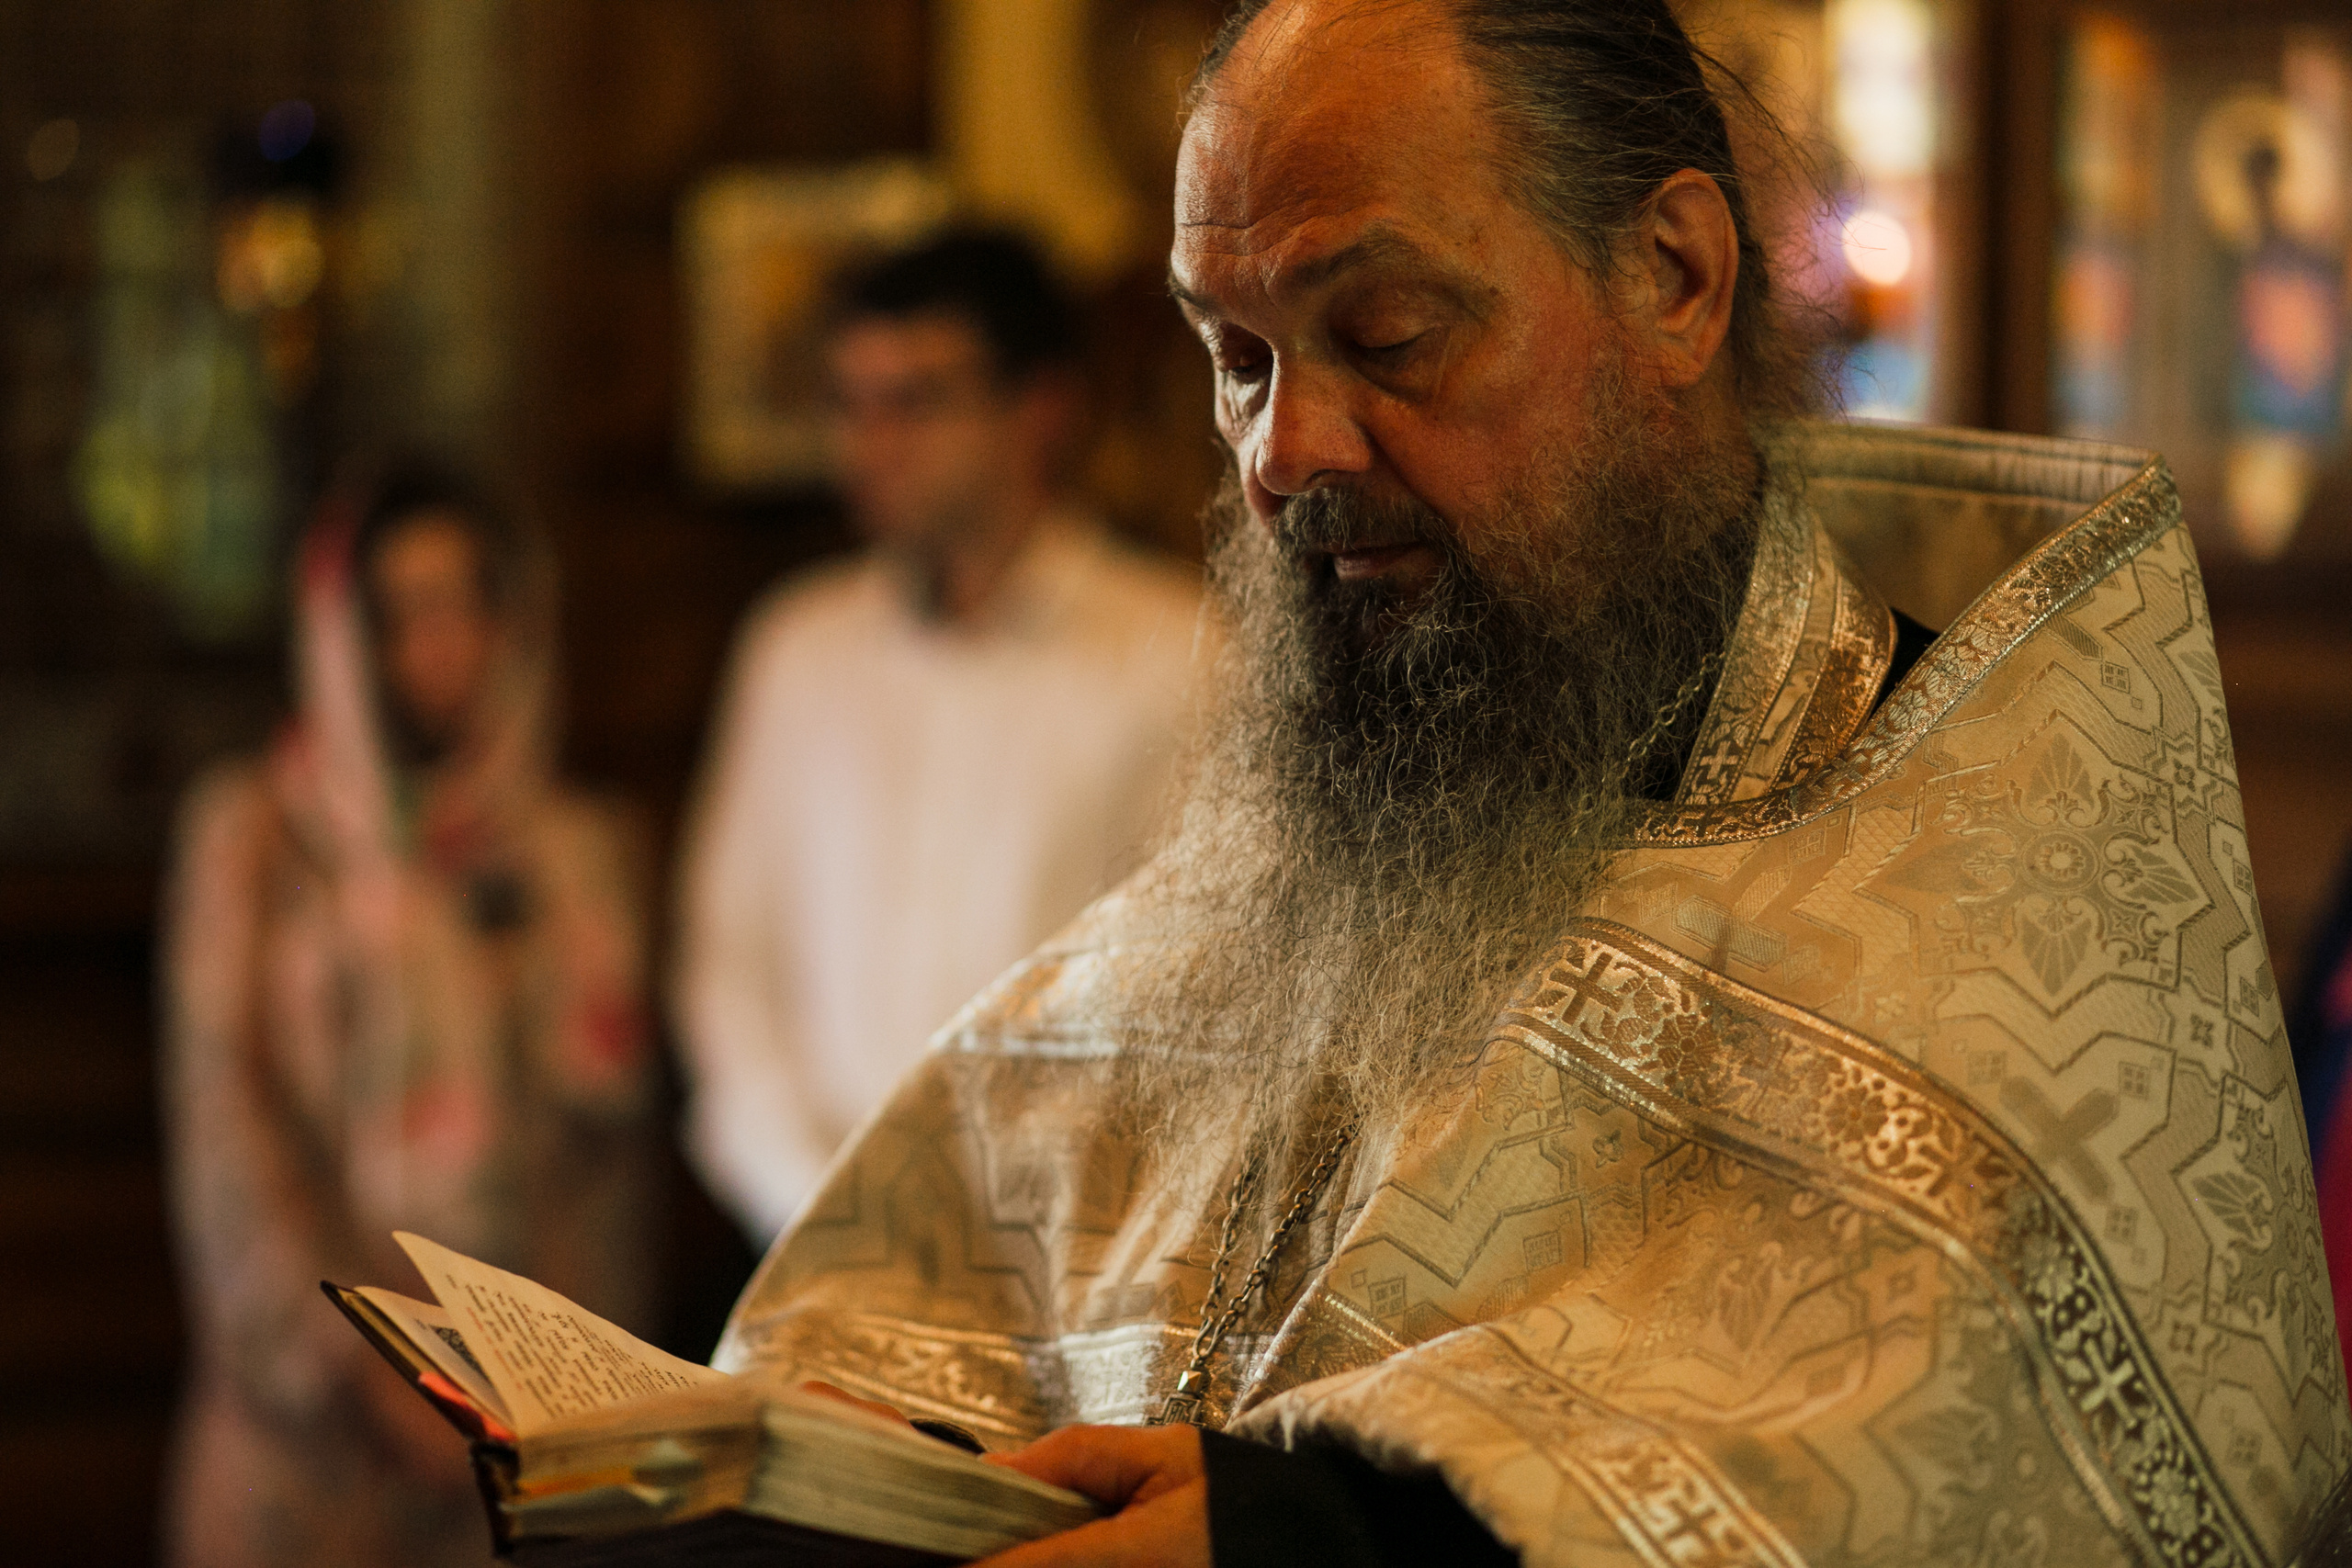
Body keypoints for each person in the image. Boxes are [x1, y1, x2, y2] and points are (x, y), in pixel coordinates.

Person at [716, 3, 2351, 1564]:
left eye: (1385, 337)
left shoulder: (2008, 853)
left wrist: (1333, 1539)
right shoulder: (1344, 813)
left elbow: (1974, 1459)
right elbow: (965, 1239)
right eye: (1238, 358)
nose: (1285, 452)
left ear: (1676, 277)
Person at [163, 468, 656, 1568]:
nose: (436, 643)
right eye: (396, 611)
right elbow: (229, 1135)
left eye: (463, 602)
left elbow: (603, 1165)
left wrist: (557, 1394)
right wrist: (386, 1387)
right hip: (307, 1437)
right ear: (342, 632)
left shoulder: (576, 853)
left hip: (526, 1434)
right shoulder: (256, 839)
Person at [673, 229, 1204, 1245]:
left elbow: (1178, 1005)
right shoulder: (796, 650)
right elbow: (730, 965)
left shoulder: (1174, 656)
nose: (871, 442)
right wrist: (813, 1209)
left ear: (1038, 408)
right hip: (803, 1246)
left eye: (915, 401)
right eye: (848, 403)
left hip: (1057, 1260)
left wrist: (987, 1242)